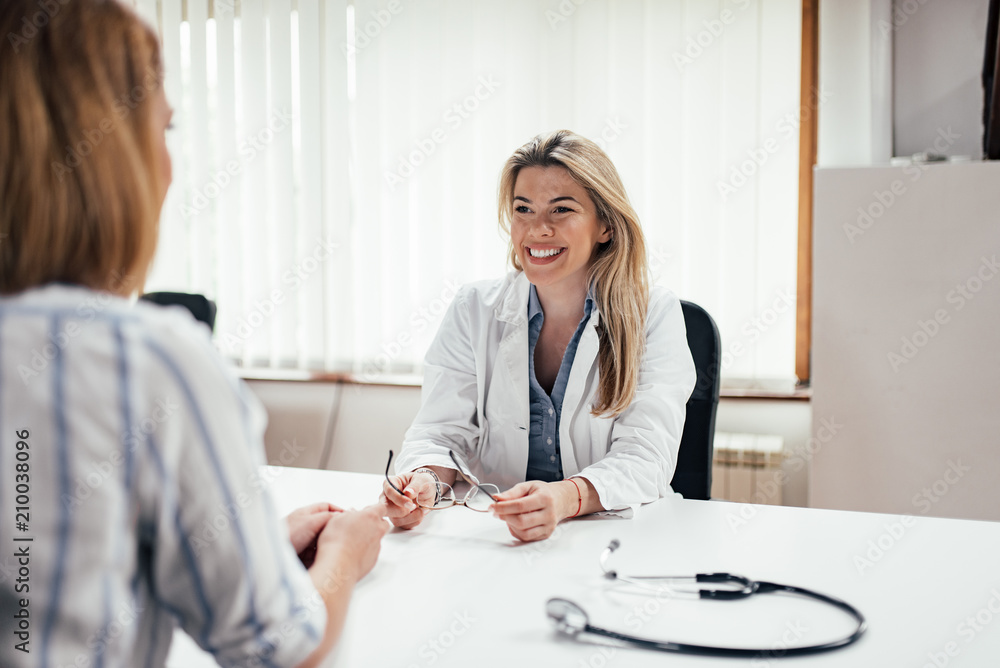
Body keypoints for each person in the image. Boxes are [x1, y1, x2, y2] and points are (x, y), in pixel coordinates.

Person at [0, 2, 386, 667]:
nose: (170, 166)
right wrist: (346, 552)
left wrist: (243, 543)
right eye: (166, 127)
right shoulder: (145, 359)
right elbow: (281, 651)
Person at [382, 130, 696, 542]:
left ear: (605, 225)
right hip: (493, 538)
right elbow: (438, 433)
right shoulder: (473, 308)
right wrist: (424, 482)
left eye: (561, 209)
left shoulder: (653, 313)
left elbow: (646, 456)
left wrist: (567, 498)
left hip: (610, 540)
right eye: (523, 209)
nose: (537, 229)